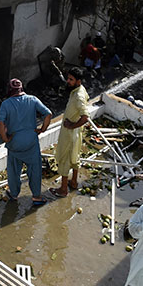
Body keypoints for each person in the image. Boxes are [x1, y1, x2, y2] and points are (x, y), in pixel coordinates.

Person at [0, 78, 51, 206]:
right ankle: (37, 197)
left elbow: (0, 123)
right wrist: (42, 129)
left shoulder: (6, 104)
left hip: (14, 143)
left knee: (14, 170)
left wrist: (5, 138)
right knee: (34, 169)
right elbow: (48, 114)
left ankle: (14, 194)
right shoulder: (32, 99)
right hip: (31, 142)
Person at [50, 68, 91, 198]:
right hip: (76, 133)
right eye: (68, 78)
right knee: (74, 157)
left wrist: (72, 125)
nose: (68, 81)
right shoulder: (79, 90)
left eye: (71, 79)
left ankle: (63, 189)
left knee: (64, 159)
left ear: (78, 81)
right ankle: (73, 182)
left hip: (70, 133)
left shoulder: (78, 95)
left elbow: (85, 117)